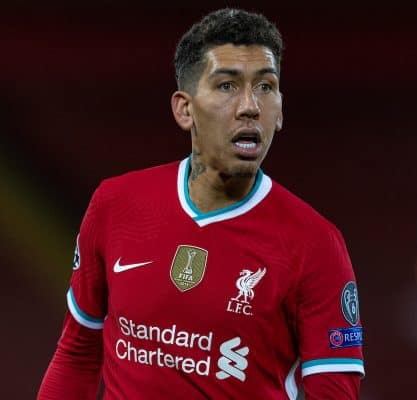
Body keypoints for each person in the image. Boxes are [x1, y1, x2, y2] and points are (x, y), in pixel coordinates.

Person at [38, 8, 364, 399]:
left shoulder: (317, 244)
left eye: (265, 86)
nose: (250, 106)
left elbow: (334, 392)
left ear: (279, 111)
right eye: (227, 86)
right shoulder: (115, 204)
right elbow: (77, 355)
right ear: (184, 108)